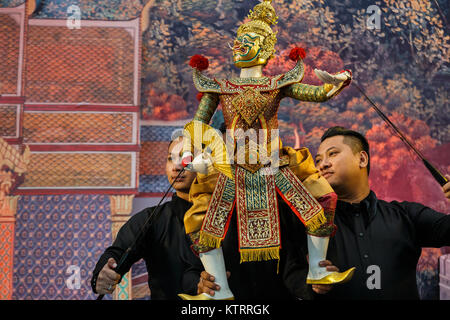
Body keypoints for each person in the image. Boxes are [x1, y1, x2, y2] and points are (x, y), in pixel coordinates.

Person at [178, 0, 354, 300]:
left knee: (322, 197)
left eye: (248, 41)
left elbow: (313, 93)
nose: (239, 46)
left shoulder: (278, 83)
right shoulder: (218, 87)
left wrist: (333, 86)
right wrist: (194, 150)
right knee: (201, 220)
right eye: (238, 40)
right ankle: (218, 288)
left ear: (265, 48)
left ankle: (317, 268)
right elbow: (198, 123)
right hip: (231, 168)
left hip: (274, 164)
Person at [311, 126, 450, 299]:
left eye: (332, 154)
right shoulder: (313, 226)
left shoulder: (407, 215)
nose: (322, 164)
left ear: (362, 159)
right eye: (318, 160)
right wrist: (311, 282)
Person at [90, 132, 201, 299]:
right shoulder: (153, 219)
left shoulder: (229, 217)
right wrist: (102, 273)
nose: (176, 167)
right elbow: (117, 252)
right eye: (170, 158)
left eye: (186, 158)